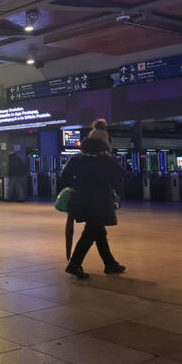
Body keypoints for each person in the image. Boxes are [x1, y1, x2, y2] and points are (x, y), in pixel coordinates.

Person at [60, 119, 125, 279]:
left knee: (97, 230)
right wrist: (107, 184)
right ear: (104, 141)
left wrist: (78, 186)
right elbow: (120, 174)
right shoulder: (106, 159)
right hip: (100, 201)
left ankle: (110, 264)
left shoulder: (77, 158)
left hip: (80, 200)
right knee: (92, 231)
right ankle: (74, 264)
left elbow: (64, 177)